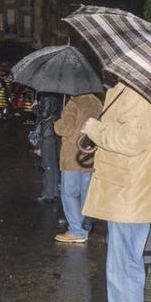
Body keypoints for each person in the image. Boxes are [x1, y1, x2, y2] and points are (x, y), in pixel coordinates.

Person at [81, 81, 151, 302]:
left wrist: (95, 128)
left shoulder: (141, 92)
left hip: (130, 193)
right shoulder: (134, 88)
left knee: (124, 270)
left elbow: (132, 139)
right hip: (127, 191)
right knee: (125, 267)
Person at [53, 93, 102, 243]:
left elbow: (65, 129)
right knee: (85, 193)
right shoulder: (96, 102)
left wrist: (57, 123)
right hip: (88, 154)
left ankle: (76, 230)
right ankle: (84, 227)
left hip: (72, 156)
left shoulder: (73, 103)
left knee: (69, 193)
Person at [33, 93, 62, 207]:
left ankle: (48, 194)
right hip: (52, 134)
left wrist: (35, 107)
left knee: (47, 164)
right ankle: (54, 192)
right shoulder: (57, 97)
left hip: (47, 134)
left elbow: (44, 114)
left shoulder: (47, 97)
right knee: (53, 164)